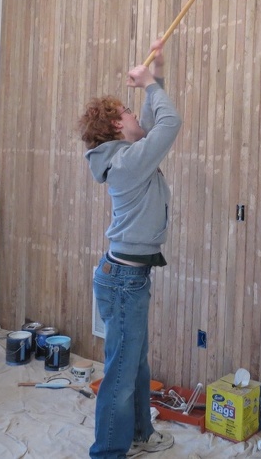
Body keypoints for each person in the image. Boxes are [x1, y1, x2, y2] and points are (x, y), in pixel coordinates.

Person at [78, 39, 182, 459]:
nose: (134, 115)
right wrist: (151, 85)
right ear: (119, 128)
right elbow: (169, 123)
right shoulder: (127, 161)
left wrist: (154, 75)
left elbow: (155, 116)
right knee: (121, 373)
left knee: (134, 363)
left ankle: (140, 433)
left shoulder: (126, 154)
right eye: (126, 111)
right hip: (124, 279)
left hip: (126, 275)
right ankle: (107, 452)